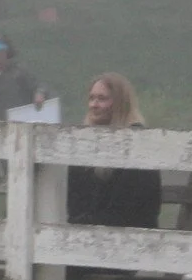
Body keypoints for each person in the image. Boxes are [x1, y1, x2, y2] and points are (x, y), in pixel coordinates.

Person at [66, 72, 163, 228]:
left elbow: (135, 208)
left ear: (120, 103)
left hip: (132, 235)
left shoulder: (138, 139)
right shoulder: (82, 142)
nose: (94, 105)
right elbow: (75, 207)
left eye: (102, 99)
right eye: (91, 98)